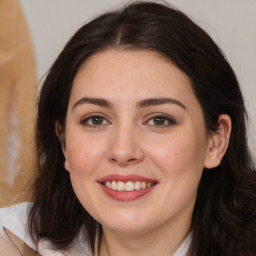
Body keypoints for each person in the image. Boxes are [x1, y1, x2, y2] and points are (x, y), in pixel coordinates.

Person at [1, 1, 255, 255]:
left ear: (215, 142)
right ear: (63, 142)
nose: (123, 151)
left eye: (159, 120)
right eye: (96, 120)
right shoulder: (16, 242)